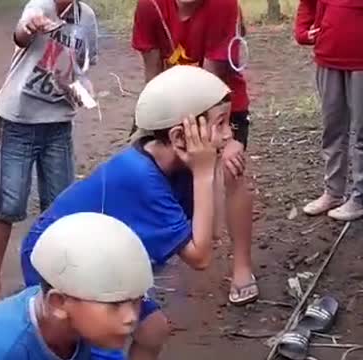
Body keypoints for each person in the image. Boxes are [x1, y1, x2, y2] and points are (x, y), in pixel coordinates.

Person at [21, 65, 230, 360]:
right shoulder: (142, 177)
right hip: (59, 257)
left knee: (152, 329)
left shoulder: (181, 168)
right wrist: (206, 172)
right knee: (98, 345)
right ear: (180, 138)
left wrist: (208, 168)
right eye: (220, 124)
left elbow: (210, 233)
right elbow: (200, 255)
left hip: (102, 257)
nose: (228, 134)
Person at [131, 0, 257, 306]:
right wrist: (151, 125)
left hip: (222, 101)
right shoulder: (150, 6)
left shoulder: (224, 5)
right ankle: (142, 261)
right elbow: (152, 74)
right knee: (146, 169)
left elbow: (211, 84)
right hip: (171, 105)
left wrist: (216, 144)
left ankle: (242, 267)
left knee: (231, 167)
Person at [0, 212, 154, 360]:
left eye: (136, 301)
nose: (131, 318)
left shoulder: (71, 319)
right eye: (115, 305)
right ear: (57, 303)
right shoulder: (1, 350)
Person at [0, 0, 99, 305]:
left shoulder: (86, 17)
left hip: (58, 123)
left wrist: (77, 89)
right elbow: (21, 34)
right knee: (8, 205)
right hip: (18, 120)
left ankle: (54, 280)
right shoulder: (39, 6)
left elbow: (84, 68)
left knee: (59, 206)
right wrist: (30, 27)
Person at [295, 0, 363, 221]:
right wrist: (303, 31)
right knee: (332, 129)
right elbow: (307, 4)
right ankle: (333, 192)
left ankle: (362, 197)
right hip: (328, 56)